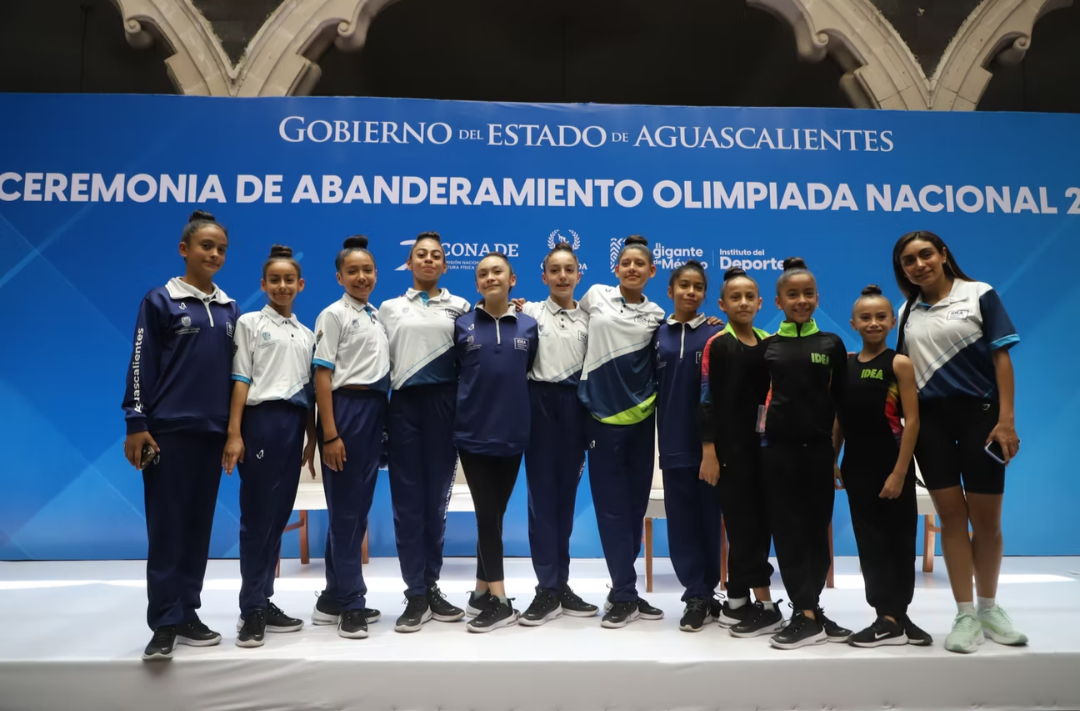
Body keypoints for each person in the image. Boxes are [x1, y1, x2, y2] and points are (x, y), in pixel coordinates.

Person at [892, 230, 1025, 654]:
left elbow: (1001, 359)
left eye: (925, 254)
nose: (919, 265)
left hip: (981, 419)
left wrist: (1006, 421)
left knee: (986, 522)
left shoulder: (979, 294)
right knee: (951, 518)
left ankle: (989, 608)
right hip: (930, 424)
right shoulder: (906, 311)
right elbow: (904, 373)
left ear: (943, 254)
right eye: (909, 260)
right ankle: (965, 614)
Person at [122, 210, 240, 661]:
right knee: (167, 529)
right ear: (184, 249)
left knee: (196, 529)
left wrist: (233, 432)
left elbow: (237, 376)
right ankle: (164, 622)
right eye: (206, 246)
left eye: (221, 249)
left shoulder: (230, 308)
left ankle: (188, 611)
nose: (214, 254)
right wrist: (136, 422)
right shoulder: (160, 301)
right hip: (167, 435)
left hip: (213, 435)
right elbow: (141, 363)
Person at [223, 245, 316, 648]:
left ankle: (265, 598)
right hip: (260, 423)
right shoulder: (249, 323)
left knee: (277, 517)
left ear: (300, 285)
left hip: (293, 426)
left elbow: (309, 391)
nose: (282, 286)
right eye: (274, 280)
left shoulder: (306, 333)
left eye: (288, 280)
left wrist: (311, 436)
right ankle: (251, 610)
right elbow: (241, 379)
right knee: (258, 519)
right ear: (263, 284)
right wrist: (234, 433)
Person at [377, 232, 470, 632]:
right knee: (408, 505)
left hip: (446, 408)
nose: (428, 260)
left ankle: (431, 585)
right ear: (410, 263)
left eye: (435, 255)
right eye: (421, 255)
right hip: (404, 408)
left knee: (436, 505)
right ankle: (415, 592)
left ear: (445, 265)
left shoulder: (461, 307)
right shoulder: (389, 308)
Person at [761, 257, 852, 650]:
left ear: (817, 297)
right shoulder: (768, 347)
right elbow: (757, 406)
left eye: (808, 294)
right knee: (788, 533)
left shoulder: (831, 345)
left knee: (817, 532)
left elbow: (842, 405)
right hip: (777, 455)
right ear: (778, 302)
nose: (801, 300)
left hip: (818, 454)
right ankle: (804, 610)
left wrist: (834, 456)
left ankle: (810, 609)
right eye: (793, 294)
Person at [834, 285, 932, 647]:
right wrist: (833, 459)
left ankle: (896, 615)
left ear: (892, 322)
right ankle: (888, 616)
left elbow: (913, 421)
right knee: (871, 543)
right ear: (853, 323)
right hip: (857, 468)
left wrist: (900, 472)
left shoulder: (899, 364)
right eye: (865, 317)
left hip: (892, 467)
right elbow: (840, 419)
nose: (873, 323)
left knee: (900, 541)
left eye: (880, 317)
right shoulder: (844, 366)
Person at [577, 235, 666, 629]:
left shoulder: (657, 314)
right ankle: (626, 593)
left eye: (639, 264)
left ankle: (622, 589)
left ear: (652, 271)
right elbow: (567, 318)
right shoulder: (595, 296)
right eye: (625, 263)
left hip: (643, 421)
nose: (632, 268)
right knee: (611, 510)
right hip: (601, 420)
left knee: (633, 510)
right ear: (616, 269)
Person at [516, 242, 600, 626]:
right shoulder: (529, 312)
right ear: (544, 276)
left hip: (575, 408)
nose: (562, 276)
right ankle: (545, 589)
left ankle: (560, 585)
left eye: (569, 270)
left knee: (564, 505)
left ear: (579, 275)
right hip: (539, 406)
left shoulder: (591, 319)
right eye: (555, 270)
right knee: (542, 504)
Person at [310, 235, 389, 640]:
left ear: (376, 273)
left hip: (375, 411)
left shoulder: (375, 315)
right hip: (346, 411)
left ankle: (332, 598)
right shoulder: (333, 314)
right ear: (339, 277)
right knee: (345, 512)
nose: (361, 277)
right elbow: (322, 375)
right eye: (352, 271)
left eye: (367, 270)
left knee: (356, 512)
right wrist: (330, 434)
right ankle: (352, 604)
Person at [454, 253, 538, 632]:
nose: (490, 277)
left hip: (514, 435)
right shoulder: (462, 325)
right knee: (487, 516)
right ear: (477, 284)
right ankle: (501, 602)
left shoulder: (529, 326)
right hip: (473, 436)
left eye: (497, 272)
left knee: (495, 516)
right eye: (483, 274)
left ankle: (479, 592)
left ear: (512, 279)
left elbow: (528, 371)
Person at [698, 266, 783, 638]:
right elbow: (706, 400)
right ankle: (765, 606)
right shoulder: (718, 344)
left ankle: (735, 602)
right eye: (736, 297)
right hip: (730, 453)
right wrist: (709, 451)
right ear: (722, 304)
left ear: (761, 303)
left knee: (758, 526)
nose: (743, 302)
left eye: (750, 297)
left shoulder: (770, 343)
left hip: (763, 450)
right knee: (742, 527)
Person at [654, 261, 723, 632]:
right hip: (672, 445)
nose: (691, 292)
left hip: (710, 449)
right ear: (670, 291)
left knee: (709, 521)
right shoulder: (656, 335)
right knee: (681, 525)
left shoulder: (716, 334)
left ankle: (707, 592)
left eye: (698, 287)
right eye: (684, 285)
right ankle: (695, 594)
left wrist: (713, 448)